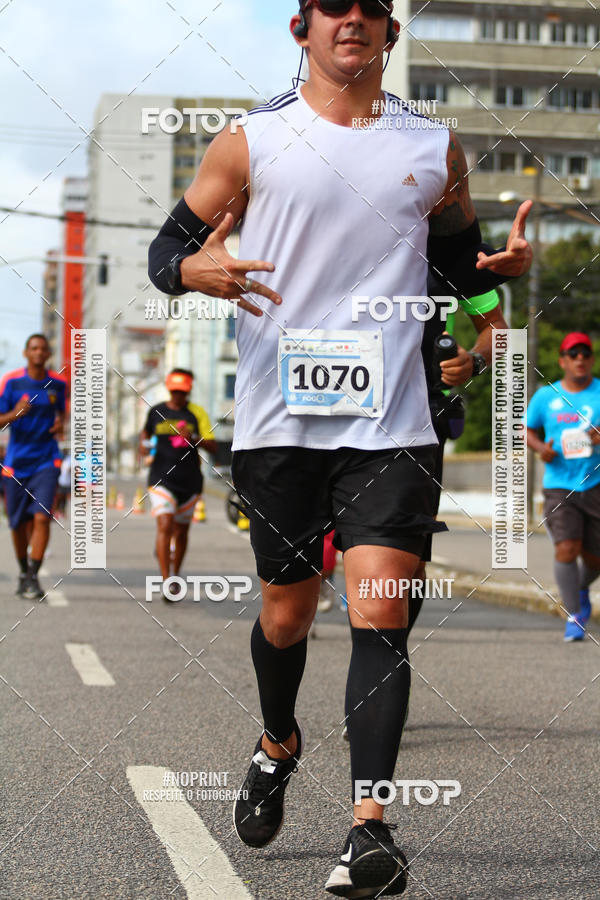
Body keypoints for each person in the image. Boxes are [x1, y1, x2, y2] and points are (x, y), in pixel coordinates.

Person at [148, 2, 531, 894]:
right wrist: (191, 270)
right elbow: (171, 247)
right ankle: (279, 738)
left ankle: (371, 831)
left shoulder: (435, 148)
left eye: (369, 7)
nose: (352, 18)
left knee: (381, 610)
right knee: (286, 614)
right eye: (333, 6)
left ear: (390, 34)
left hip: (392, 421)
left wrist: (486, 304)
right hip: (281, 422)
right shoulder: (249, 142)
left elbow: (453, 266)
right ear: (301, 30)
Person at [407, 279, 509, 634]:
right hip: (319, 412)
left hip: (417, 418)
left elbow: (497, 327)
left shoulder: (451, 248)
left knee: (408, 559)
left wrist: (475, 360)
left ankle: (388, 649)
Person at [526, 332, 600, 642]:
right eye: (573, 354)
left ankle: (579, 588)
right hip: (559, 486)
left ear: (592, 359)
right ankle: (574, 614)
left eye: (585, 353)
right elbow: (527, 431)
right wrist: (541, 448)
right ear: (562, 361)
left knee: (596, 558)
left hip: (596, 482)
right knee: (566, 548)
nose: (580, 359)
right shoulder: (546, 396)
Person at [140, 369, 217, 600]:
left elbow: (213, 446)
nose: (178, 396)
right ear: (168, 388)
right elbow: (144, 434)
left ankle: (176, 571)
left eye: (182, 392)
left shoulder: (197, 413)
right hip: (161, 478)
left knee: (181, 531)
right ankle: (168, 582)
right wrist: (142, 447)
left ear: (189, 390)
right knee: (165, 525)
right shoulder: (156, 412)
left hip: (190, 481)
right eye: (174, 391)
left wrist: (193, 439)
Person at [0, 334, 66, 600]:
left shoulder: (59, 384)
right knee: (17, 523)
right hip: (16, 462)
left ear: (48, 354)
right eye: (34, 348)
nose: (38, 352)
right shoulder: (11, 382)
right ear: (26, 353)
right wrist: (14, 414)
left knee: (41, 516)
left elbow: (63, 413)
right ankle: (23, 570)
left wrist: (61, 423)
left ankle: (33, 576)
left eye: (43, 348)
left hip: (47, 460)